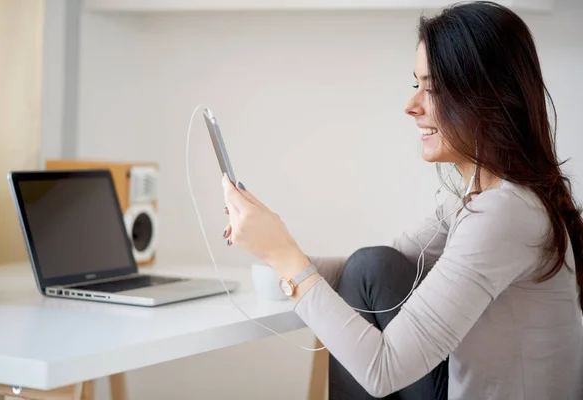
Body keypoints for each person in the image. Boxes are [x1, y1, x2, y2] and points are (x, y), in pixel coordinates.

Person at [221, 1, 583, 399]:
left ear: (488, 98)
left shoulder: (504, 213)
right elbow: (365, 274)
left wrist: (284, 257)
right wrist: (273, 253)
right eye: (417, 85)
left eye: (433, 89)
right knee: (372, 265)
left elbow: (383, 368)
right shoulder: (485, 201)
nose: (412, 106)